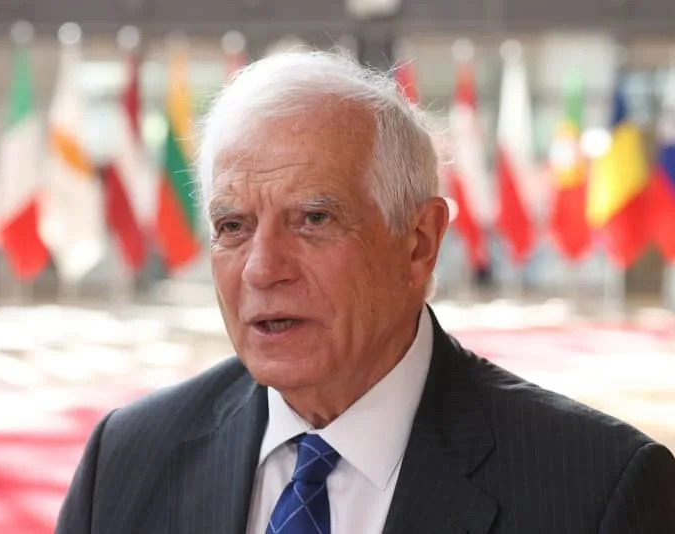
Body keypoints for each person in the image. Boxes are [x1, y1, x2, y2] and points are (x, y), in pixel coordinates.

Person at [56, 51, 675, 533]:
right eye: (232, 227)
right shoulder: (127, 458)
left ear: (419, 243)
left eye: (314, 219)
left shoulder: (599, 491)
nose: (261, 270)